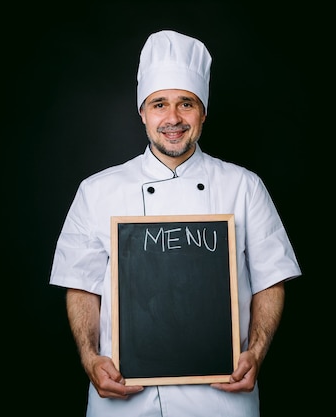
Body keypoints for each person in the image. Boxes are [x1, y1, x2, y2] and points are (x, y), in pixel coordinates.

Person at [49, 29, 302, 416]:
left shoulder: (244, 186)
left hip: (221, 397)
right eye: (159, 104)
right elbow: (81, 285)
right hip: (123, 397)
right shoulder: (97, 191)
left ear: (203, 111)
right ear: (142, 113)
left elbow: (272, 278)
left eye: (186, 104)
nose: (172, 119)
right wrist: (89, 358)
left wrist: (256, 351)